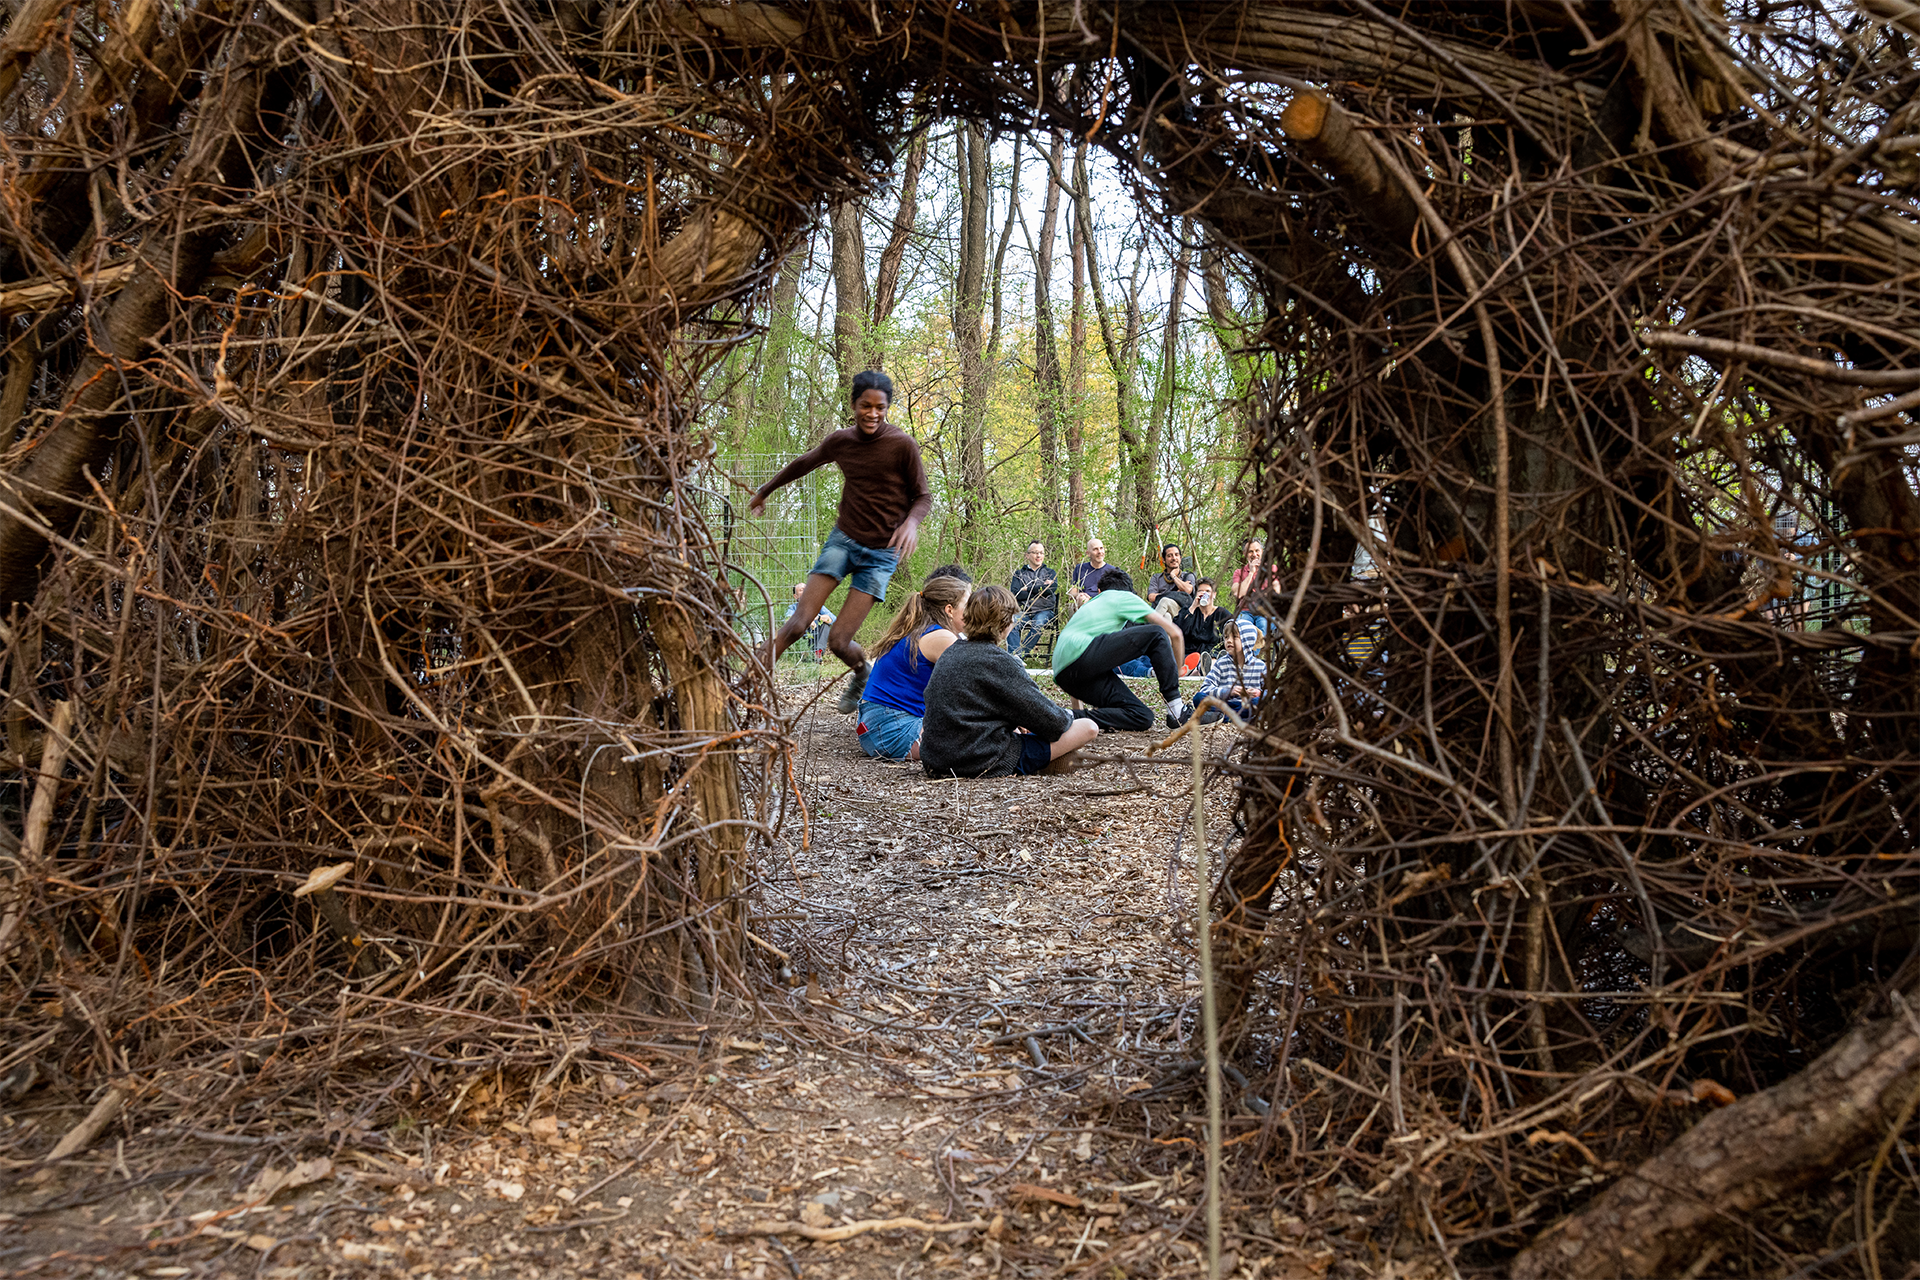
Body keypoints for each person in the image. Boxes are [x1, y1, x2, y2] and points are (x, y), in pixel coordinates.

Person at [749, 370, 932, 713]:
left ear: (888, 408)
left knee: (838, 641)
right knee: (798, 623)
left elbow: (923, 497)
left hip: (881, 555)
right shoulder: (840, 442)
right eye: (866, 406)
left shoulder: (902, 445)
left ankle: (862, 671)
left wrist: (911, 523)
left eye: (880, 407)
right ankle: (748, 684)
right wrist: (765, 491)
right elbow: (804, 463)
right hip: (844, 540)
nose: (872, 414)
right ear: (854, 405)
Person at [921, 585, 1100, 778]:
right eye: (1013, 618)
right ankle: (1038, 763)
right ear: (1005, 622)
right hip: (981, 759)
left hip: (935, 760)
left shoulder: (951, 652)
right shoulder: (998, 661)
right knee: (1088, 727)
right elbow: (1054, 722)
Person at [1051, 566, 1187, 732]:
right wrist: (1177, 672)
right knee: (1157, 633)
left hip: (1064, 672)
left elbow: (1074, 658)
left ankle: (1068, 716)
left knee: (1142, 716)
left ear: (1100, 590)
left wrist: (1077, 709)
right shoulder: (1123, 596)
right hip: (1082, 657)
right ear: (1130, 591)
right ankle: (1177, 711)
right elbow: (1175, 633)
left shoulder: (1091, 606)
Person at [856, 574, 969, 761]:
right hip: (893, 730)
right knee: (983, 737)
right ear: (949, 609)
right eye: (968, 605)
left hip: (876, 728)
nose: (974, 611)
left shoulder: (919, 631)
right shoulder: (942, 638)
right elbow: (977, 684)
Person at [1173, 616, 1268, 725]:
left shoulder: (1260, 666)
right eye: (1226, 637)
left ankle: (1223, 718)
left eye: (1234, 637)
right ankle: (1240, 718)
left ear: (1247, 640)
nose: (1228, 640)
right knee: (1199, 698)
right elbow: (1205, 689)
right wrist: (1228, 692)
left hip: (1247, 705)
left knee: (1261, 701)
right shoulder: (1221, 663)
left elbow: (1273, 691)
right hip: (1224, 705)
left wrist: (1259, 693)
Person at [1008, 541, 1059, 658]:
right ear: (1027, 555)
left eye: (1041, 553)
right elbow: (1015, 594)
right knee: (1011, 621)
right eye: (1035, 553)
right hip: (1024, 611)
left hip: (1045, 611)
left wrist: (1028, 589)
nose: (1039, 556)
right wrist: (1040, 590)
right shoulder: (1019, 574)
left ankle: (1019, 656)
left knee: (1038, 623)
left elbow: (1051, 589)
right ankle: (1015, 658)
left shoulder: (1050, 573)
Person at [1177, 578, 1230, 668]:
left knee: (1214, 660)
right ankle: (1200, 669)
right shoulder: (1188, 611)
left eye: (1208, 591)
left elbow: (1232, 632)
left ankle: (1205, 668)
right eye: (1200, 591)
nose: (1204, 593)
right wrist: (1193, 607)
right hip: (1189, 655)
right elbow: (1179, 631)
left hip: (1212, 654)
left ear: (1214, 595)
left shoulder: (1222, 614)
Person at [780, 583, 836, 661]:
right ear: (795, 596)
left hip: (815, 638)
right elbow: (787, 620)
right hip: (801, 639)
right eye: (801, 590)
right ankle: (804, 654)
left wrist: (818, 617)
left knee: (825, 624)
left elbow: (832, 619)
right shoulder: (792, 608)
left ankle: (817, 653)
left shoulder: (818, 606)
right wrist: (806, 621)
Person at [1146, 543, 1196, 615]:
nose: (1174, 558)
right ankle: (1156, 625)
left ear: (1180, 558)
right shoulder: (1156, 577)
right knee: (1167, 616)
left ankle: (1151, 626)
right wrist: (1175, 594)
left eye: (1176, 555)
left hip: (1181, 613)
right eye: (1169, 556)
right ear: (1164, 560)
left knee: (1164, 601)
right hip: (1163, 612)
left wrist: (1173, 576)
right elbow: (1151, 597)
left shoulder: (1188, 576)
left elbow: (1187, 590)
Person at [1230, 538, 1274, 608]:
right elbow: (1238, 593)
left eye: (1257, 550)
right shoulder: (1238, 572)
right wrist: (1251, 572)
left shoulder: (1272, 569)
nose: (1254, 554)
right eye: (1250, 551)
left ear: (1262, 551)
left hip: (1266, 610)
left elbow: (1276, 591)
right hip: (1245, 611)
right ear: (1244, 553)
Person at [1068, 537, 1109, 605]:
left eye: (1101, 548)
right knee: (1082, 599)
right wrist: (1079, 595)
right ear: (1088, 553)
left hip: (1104, 604)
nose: (1099, 552)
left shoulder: (1113, 571)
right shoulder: (1080, 568)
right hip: (1085, 605)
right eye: (1095, 549)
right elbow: (1072, 592)